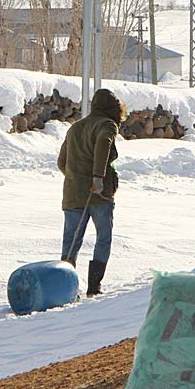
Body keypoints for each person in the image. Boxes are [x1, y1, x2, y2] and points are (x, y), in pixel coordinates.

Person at [57, 88, 124, 296]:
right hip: (98, 194)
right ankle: (94, 286)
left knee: (71, 241)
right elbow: (103, 143)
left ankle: (65, 288)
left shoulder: (75, 127)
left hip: (72, 193)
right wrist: (97, 178)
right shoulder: (107, 125)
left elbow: (62, 162)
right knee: (103, 236)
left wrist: (76, 178)